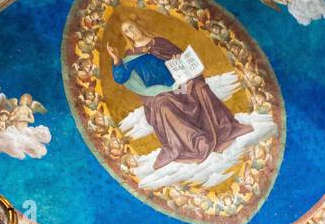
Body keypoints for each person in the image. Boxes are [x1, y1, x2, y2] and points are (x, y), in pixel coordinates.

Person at [108, 19, 253, 169]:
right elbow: (120, 77)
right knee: (163, 105)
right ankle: (197, 142)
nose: (131, 32)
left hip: (179, 84)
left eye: (132, 27)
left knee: (199, 86)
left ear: (138, 26)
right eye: (127, 31)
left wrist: (178, 60)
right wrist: (116, 59)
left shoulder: (159, 42)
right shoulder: (130, 55)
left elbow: (181, 56)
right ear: (127, 36)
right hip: (159, 92)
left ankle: (224, 127)